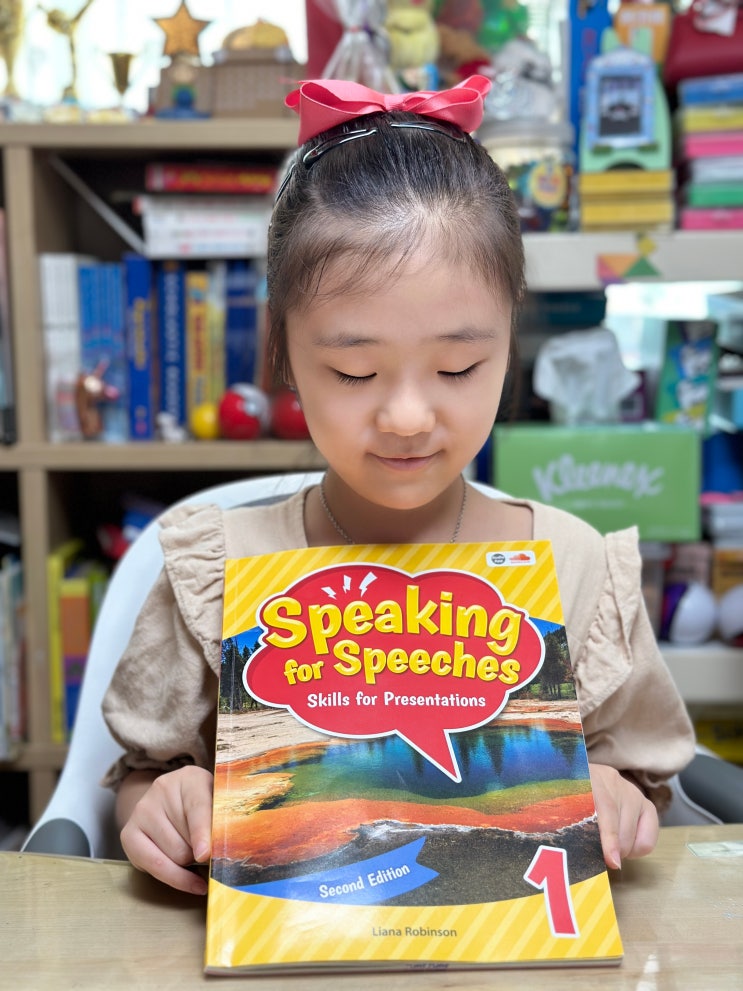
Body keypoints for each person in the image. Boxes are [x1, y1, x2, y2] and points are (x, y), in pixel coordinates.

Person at [101, 75, 695, 896]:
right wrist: (162, 805)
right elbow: (139, 775)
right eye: (354, 372)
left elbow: (647, 784)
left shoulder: (574, 565)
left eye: (458, 366)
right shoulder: (219, 566)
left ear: (508, 340)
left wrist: (615, 796)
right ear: (284, 353)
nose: (408, 417)